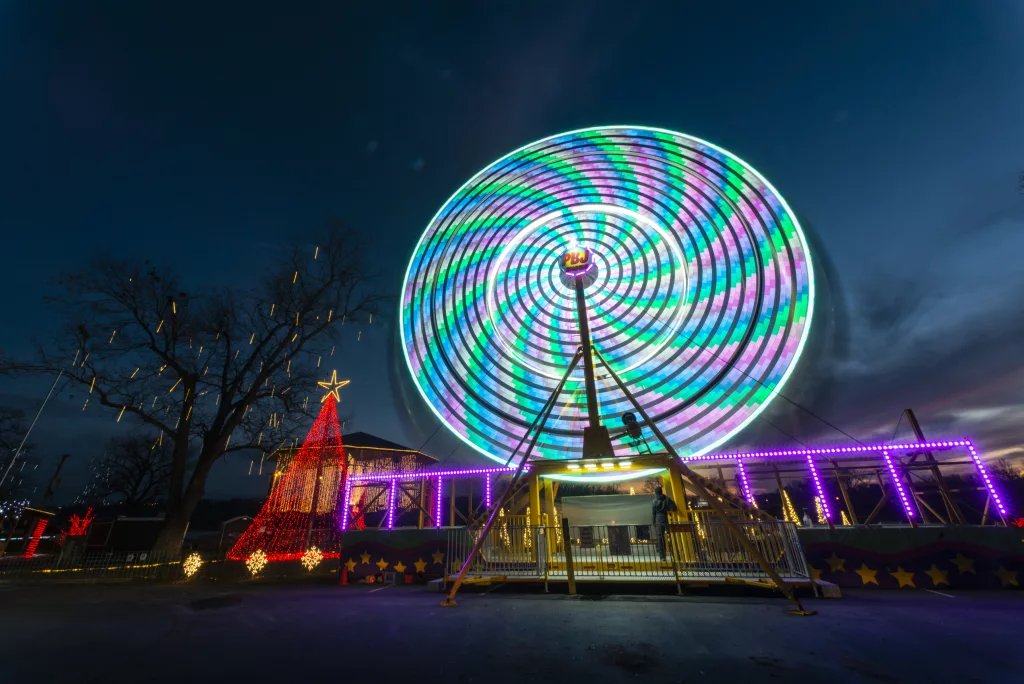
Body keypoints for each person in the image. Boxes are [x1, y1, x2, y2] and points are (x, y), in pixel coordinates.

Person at [652, 485, 676, 560]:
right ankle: (675, 553)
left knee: (660, 538)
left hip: (658, 519)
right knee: (671, 535)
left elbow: (653, 513)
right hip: (666, 518)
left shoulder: (654, 501)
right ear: (661, 491)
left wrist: (654, 522)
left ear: (655, 492)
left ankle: (662, 556)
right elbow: (673, 508)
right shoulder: (666, 499)